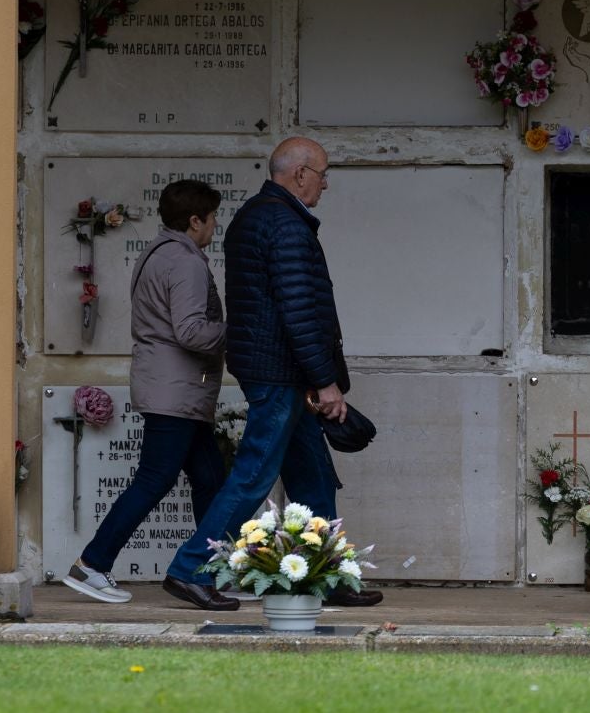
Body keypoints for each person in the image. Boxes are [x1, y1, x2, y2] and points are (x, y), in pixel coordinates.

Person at [165, 136, 383, 609]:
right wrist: (324, 380)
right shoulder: (284, 224)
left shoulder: (256, 216)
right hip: (282, 373)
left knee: (313, 476)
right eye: (323, 173)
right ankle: (188, 570)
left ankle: (328, 573)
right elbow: (299, 311)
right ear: (299, 173)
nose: (326, 184)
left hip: (279, 369)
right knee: (253, 474)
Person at [61, 179, 239, 610]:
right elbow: (192, 330)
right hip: (174, 390)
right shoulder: (185, 261)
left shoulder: (160, 252)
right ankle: (92, 563)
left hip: (173, 388)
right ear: (195, 220)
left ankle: (212, 569)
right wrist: (237, 333)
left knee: (209, 479)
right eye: (212, 217)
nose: (215, 225)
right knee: (155, 479)